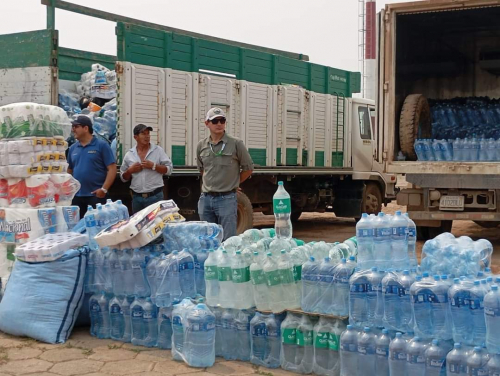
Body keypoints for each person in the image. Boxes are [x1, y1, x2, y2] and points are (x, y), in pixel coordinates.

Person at [197, 108, 254, 240]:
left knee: (228, 240)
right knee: (207, 239)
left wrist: (234, 182)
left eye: (222, 120)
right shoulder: (201, 145)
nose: (219, 124)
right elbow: (202, 169)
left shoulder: (235, 144)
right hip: (206, 199)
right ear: (207, 123)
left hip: (226, 199)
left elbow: (248, 168)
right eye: (215, 121)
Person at [67, 115, 116, 218]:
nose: (73, 130)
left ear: (86, 128)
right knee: (78, 229)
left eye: (76, 126)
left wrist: (104, 189)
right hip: (77, 197)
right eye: (73, 127)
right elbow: (69, 170)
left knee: (98, 228)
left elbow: (112, 169)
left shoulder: (101, 146)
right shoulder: (72, 148)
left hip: (96, 197)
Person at [120, 124, 173, 213]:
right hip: (137, 198)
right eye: (143, 134)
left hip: (155, 197)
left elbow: (169, 170)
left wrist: (154, 166)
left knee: (156, 225)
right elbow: (123, 178)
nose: (147, 136)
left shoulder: (158, 150)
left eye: (148, 133)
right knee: (138, 226)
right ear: (135, 137)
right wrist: (130, 171)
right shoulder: (129, 154)